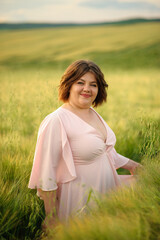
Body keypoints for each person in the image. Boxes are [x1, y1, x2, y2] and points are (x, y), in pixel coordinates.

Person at [28, 59, 141, 229]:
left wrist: (133, 165)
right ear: (68, 85)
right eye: (80, 82)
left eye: (93, 84)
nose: (87, 89)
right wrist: (50, 217)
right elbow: (47, 173)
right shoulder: (56, 121)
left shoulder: (93, 114)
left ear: (99, 89)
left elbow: (105, 152)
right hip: (81, 200)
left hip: (106, 192)